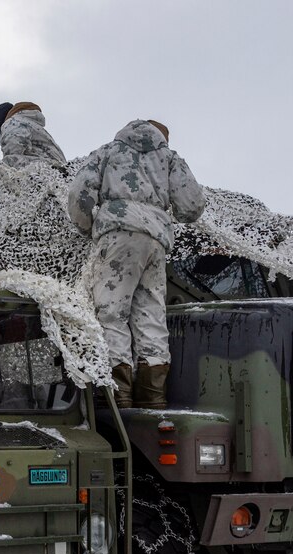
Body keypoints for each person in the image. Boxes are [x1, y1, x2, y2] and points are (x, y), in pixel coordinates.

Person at [67, 119, 206, 408]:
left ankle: (118, 398)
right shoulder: (169, 159)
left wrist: (89, 226)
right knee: (151, 314)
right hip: (156, 241)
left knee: (112, 313)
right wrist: (159, 214)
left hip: (117, 236)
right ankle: (153, 399)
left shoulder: (107, 152)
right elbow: (193, 205)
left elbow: (78, 195)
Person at [0, 101, 66, 169]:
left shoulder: (12, 123)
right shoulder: (28, 122)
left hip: (46, 167)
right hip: (55, 165)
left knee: (4, 166)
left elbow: (13, 145)